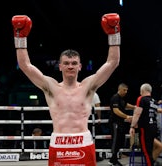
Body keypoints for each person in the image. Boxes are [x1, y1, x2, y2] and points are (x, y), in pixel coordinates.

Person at [12, 12, 120, 166]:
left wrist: (114, 34)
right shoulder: (51, 87)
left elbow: (112, 62)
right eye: (67, 63)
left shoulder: (88, 86)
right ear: (60, 66)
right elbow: (25, 66)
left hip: (83, 142)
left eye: (74, 63)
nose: (71, 66)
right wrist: (20, 37)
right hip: (59, 144)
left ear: (80, 66)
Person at [129, 83, 162, 166]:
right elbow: (150, 113)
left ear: (142, 91)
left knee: (146, 152)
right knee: (149, 150)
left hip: (145, 128)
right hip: (153, 127)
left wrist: (132, 126)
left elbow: (137, 113)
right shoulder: (153, 101)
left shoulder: (141, 99)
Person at [108, 83, 135, 166]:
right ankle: (113, 160)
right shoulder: (115, 97)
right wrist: (127, 116)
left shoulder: (122, 99)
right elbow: (116, 111)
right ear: (120, 89)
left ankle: (113, 160)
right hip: (115, 123)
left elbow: (126, 105)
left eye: (127, 90)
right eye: (124, 90)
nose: (126, 92)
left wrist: (135, 107)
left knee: (120, 141)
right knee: (115, 141)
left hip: (120, 123)